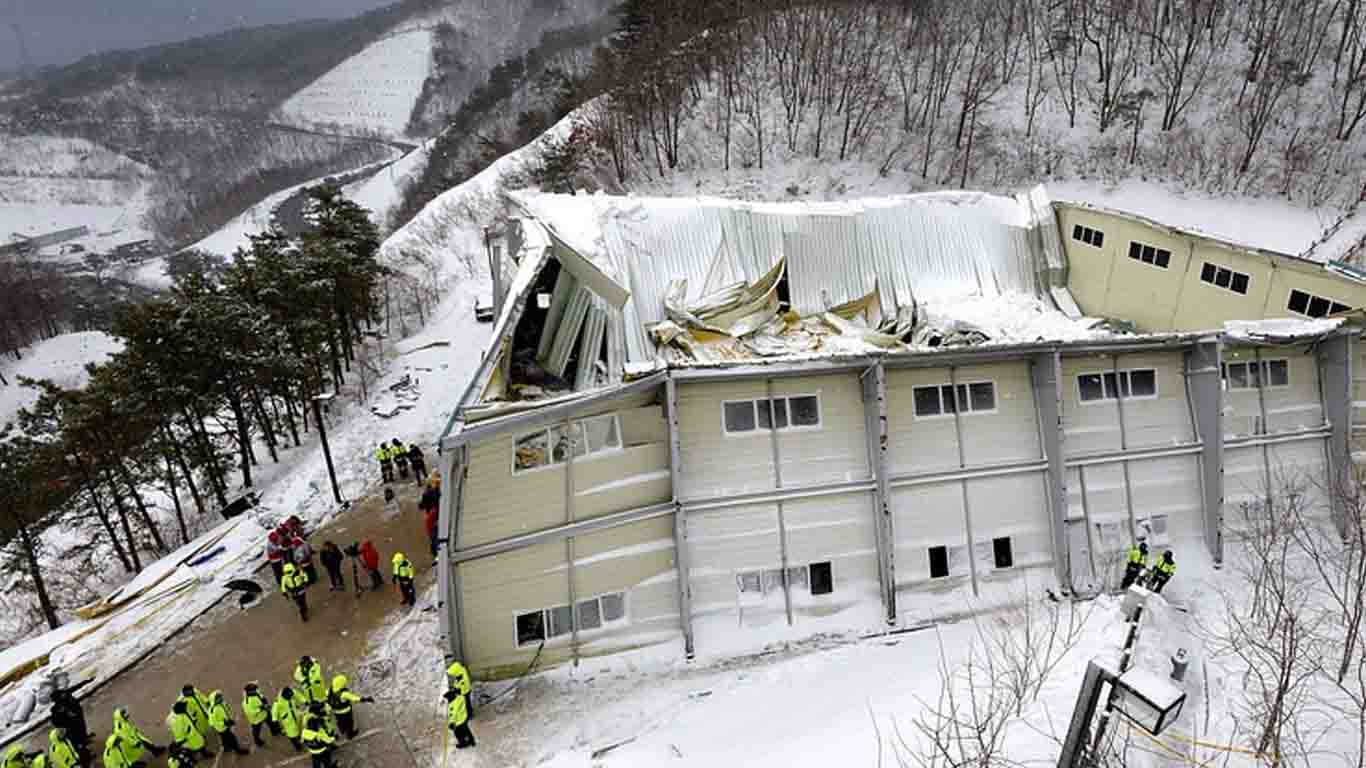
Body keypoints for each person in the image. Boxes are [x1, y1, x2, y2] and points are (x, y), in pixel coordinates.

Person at [50, 689, 91, 759]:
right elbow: (56, 722)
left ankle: (84, 751)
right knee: (77, 743)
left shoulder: (67, 701)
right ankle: (84, 756)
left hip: (75, 724)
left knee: (80, 739)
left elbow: (77, 708)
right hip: (70, 728)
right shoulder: (57, 709)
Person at [207, 691, 249, 756]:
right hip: (221, 728)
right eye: (218, 698)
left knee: (224, 738)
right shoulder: (213, 710)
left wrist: (229, 719)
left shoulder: (221, 704)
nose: (220, 699)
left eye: (220, 697)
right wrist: (224, 723)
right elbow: (212, 722)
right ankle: (237, 749)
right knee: (232, 738)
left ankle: (226, 747)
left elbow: (226, 710)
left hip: (225, 725)